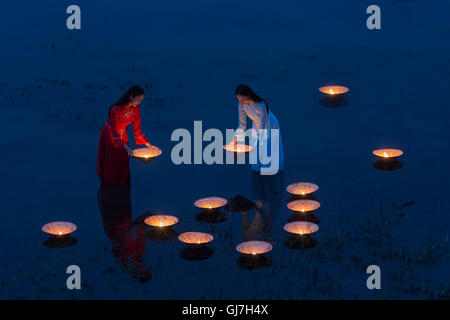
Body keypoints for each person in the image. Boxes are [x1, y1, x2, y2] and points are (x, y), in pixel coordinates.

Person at [96, 85, 154, 186]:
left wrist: (149, 145)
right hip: (110, 134)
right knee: (112, 159)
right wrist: (127, 148)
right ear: (131, 97)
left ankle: (121, 183)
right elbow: (114, 130)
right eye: (138, 99)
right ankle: (110, 184)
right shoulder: (115, 109)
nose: (139, 102)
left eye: (141, 100)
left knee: (123, 158)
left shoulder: (135, 109)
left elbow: (136, 129)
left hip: (122, 134)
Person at [232, 84, 284, 174]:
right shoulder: (241, 105)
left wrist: (257, 142)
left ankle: (270, 171)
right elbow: (242, 125)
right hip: (256, 125)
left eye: (242, 99)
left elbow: (263, 126)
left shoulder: (261, 105)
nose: (241, 101)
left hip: (269, 125)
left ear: (248, 95)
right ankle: (258, 171)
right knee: (256, 153)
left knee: (266, 148)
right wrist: (234, 139)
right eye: (239, 99)